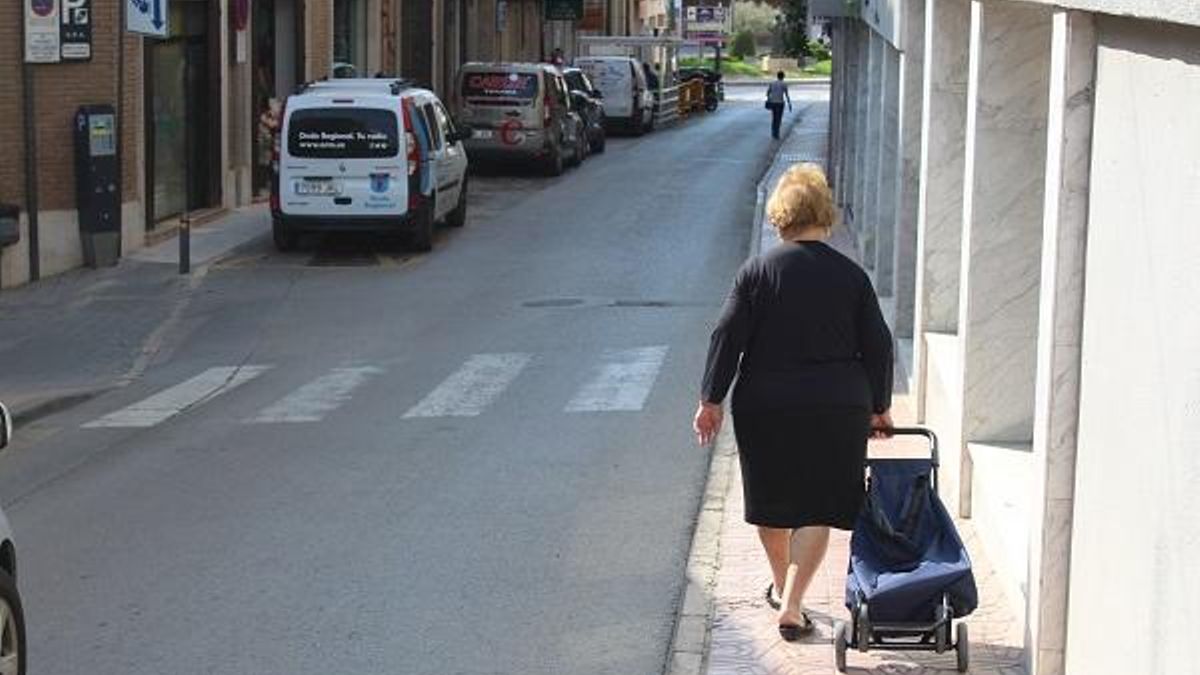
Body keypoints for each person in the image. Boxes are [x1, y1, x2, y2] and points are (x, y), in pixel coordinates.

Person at [693, 164, 894, 642]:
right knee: (818, 505)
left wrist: (710, 399)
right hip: (836, 404)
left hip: (767, 404)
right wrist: (880, 406)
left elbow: (727, 335)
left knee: (772, 502)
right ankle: (793, 600)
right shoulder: (851, 276)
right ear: (824, 214)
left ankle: (785, 590)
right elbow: (879, 345)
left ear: (780, 216)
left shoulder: (757, 272)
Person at [765, 71, 792, 139]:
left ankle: (773, 132)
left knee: (774, 118)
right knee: (779, 118)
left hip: (773, 102)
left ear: (777, 76)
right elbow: (786, 95)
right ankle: (777, 133)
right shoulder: (784, 84)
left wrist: (769, 99)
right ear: (783, 76)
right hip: (780, 103)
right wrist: (789, 104)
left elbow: (768, 93)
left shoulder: (772, 83)